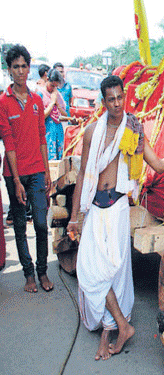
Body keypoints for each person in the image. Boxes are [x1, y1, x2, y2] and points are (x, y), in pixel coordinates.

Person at [67, 75, 164, 360]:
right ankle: (121, 326)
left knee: (112, 271)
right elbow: (82, 175)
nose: (116, 104)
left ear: (126, 96)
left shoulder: (133, 130)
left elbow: (158, 164)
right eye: (110, 99)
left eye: (120, 98)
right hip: (94, 208)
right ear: (103, 102)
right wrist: (74, 217)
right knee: (89, 271)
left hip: (117, 208)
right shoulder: (92, 132)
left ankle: (109, 330)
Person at [0, 45, 52, 292]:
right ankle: (29, 274)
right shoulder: (3, 102)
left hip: (37, 172)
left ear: (29, 68)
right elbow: (8, 143)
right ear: (9, 70)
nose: (21, 71)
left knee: (41, 224)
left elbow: (42, 137)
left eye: (24, 66)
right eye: (16, 67)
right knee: (20, 225)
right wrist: (17, 181)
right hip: (14, 175)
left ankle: (43, 272)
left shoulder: (36, 100)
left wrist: (48, 172)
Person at [37, 68, 69, 160]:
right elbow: (40, 116)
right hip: (47, 131)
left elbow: (65, 115)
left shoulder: (57, 95)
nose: (52, 88)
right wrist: (51, 103)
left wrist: (57, 104)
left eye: (55, 86)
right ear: (47, 80)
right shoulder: (40, 94)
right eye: (51, 85)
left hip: (58, 131)